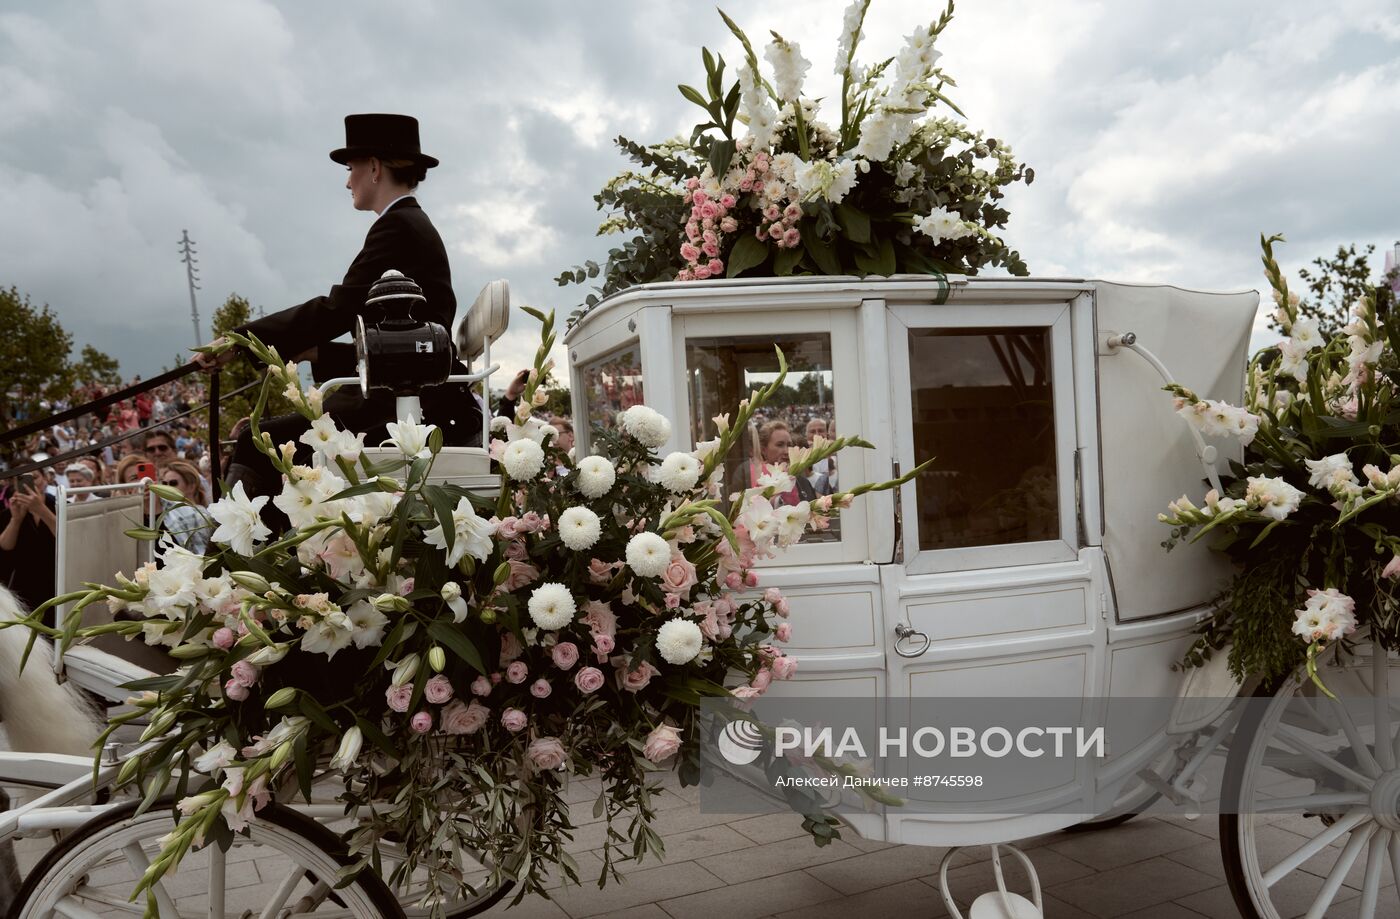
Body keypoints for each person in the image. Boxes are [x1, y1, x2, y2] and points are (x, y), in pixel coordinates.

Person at [197, 113, 489, 503]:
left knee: (257, 441)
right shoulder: (406, 224)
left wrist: (244, 340)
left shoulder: (398, 227)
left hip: (409, 404)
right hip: (412, 393)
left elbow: (338, 308)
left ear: (374, 168)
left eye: (351, 168)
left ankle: (238, 555)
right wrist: (315, 351)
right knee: (260, 437)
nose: (347, 179)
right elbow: (393, 344)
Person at [0, 474, 58, 624]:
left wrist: (41, 510)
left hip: (57, 580)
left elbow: (67, 536)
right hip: (25, 584)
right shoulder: (11, 511)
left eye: (35, 478)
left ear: (45, 479)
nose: (27, 485)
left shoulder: (59, 504)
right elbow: (6, 546)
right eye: (19, 480)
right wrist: (16, 520)